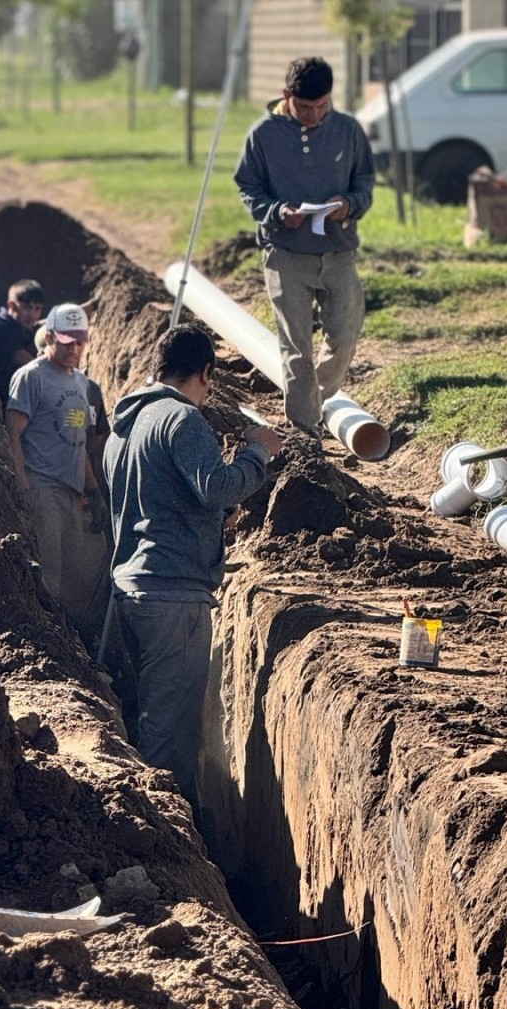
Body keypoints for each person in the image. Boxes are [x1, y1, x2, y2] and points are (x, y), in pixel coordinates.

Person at [103, 325, 282, 810]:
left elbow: (163, 497)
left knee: (149, 718)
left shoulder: (126, 425)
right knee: (170, 735)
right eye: (210, 382)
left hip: (130, 591)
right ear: (205, 373)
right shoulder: (181, 420)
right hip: (172, 597)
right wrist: (257, 452)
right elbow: (217, 487)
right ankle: (164, 848)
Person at [234, 56, 374, 443]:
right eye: (305, 107)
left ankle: (317, 400)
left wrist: (349, 204)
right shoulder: (263, 135)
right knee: (297, 347)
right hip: (285, 253)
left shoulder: (348, 131)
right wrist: (277, 212)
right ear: (286, 96)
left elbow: (364, 182)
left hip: (338, 252)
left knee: (344, 337)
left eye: (322, 106)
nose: (314, 116)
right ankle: (304, 433)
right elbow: (248, 188)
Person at [6, 303, 106, 624]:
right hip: (43, 487)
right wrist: (23, 484)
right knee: (49, 573)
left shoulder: (83, 385)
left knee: (77, 577)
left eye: (79, 342)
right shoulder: (30, 378)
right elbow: (12, 435)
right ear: (48, 337)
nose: (74, 349)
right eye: (66, 342)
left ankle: (75, 646)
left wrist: (94, 491)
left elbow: (80, 446)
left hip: (73, 493)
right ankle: (49, 634)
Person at [0, 279, 46, 406]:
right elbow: (31, 364)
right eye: (27, 307)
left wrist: (92, 306)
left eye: (37, 309)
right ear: (12, 305)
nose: (32, 314)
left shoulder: (20, 325)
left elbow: (51, 321)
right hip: (0, 401)